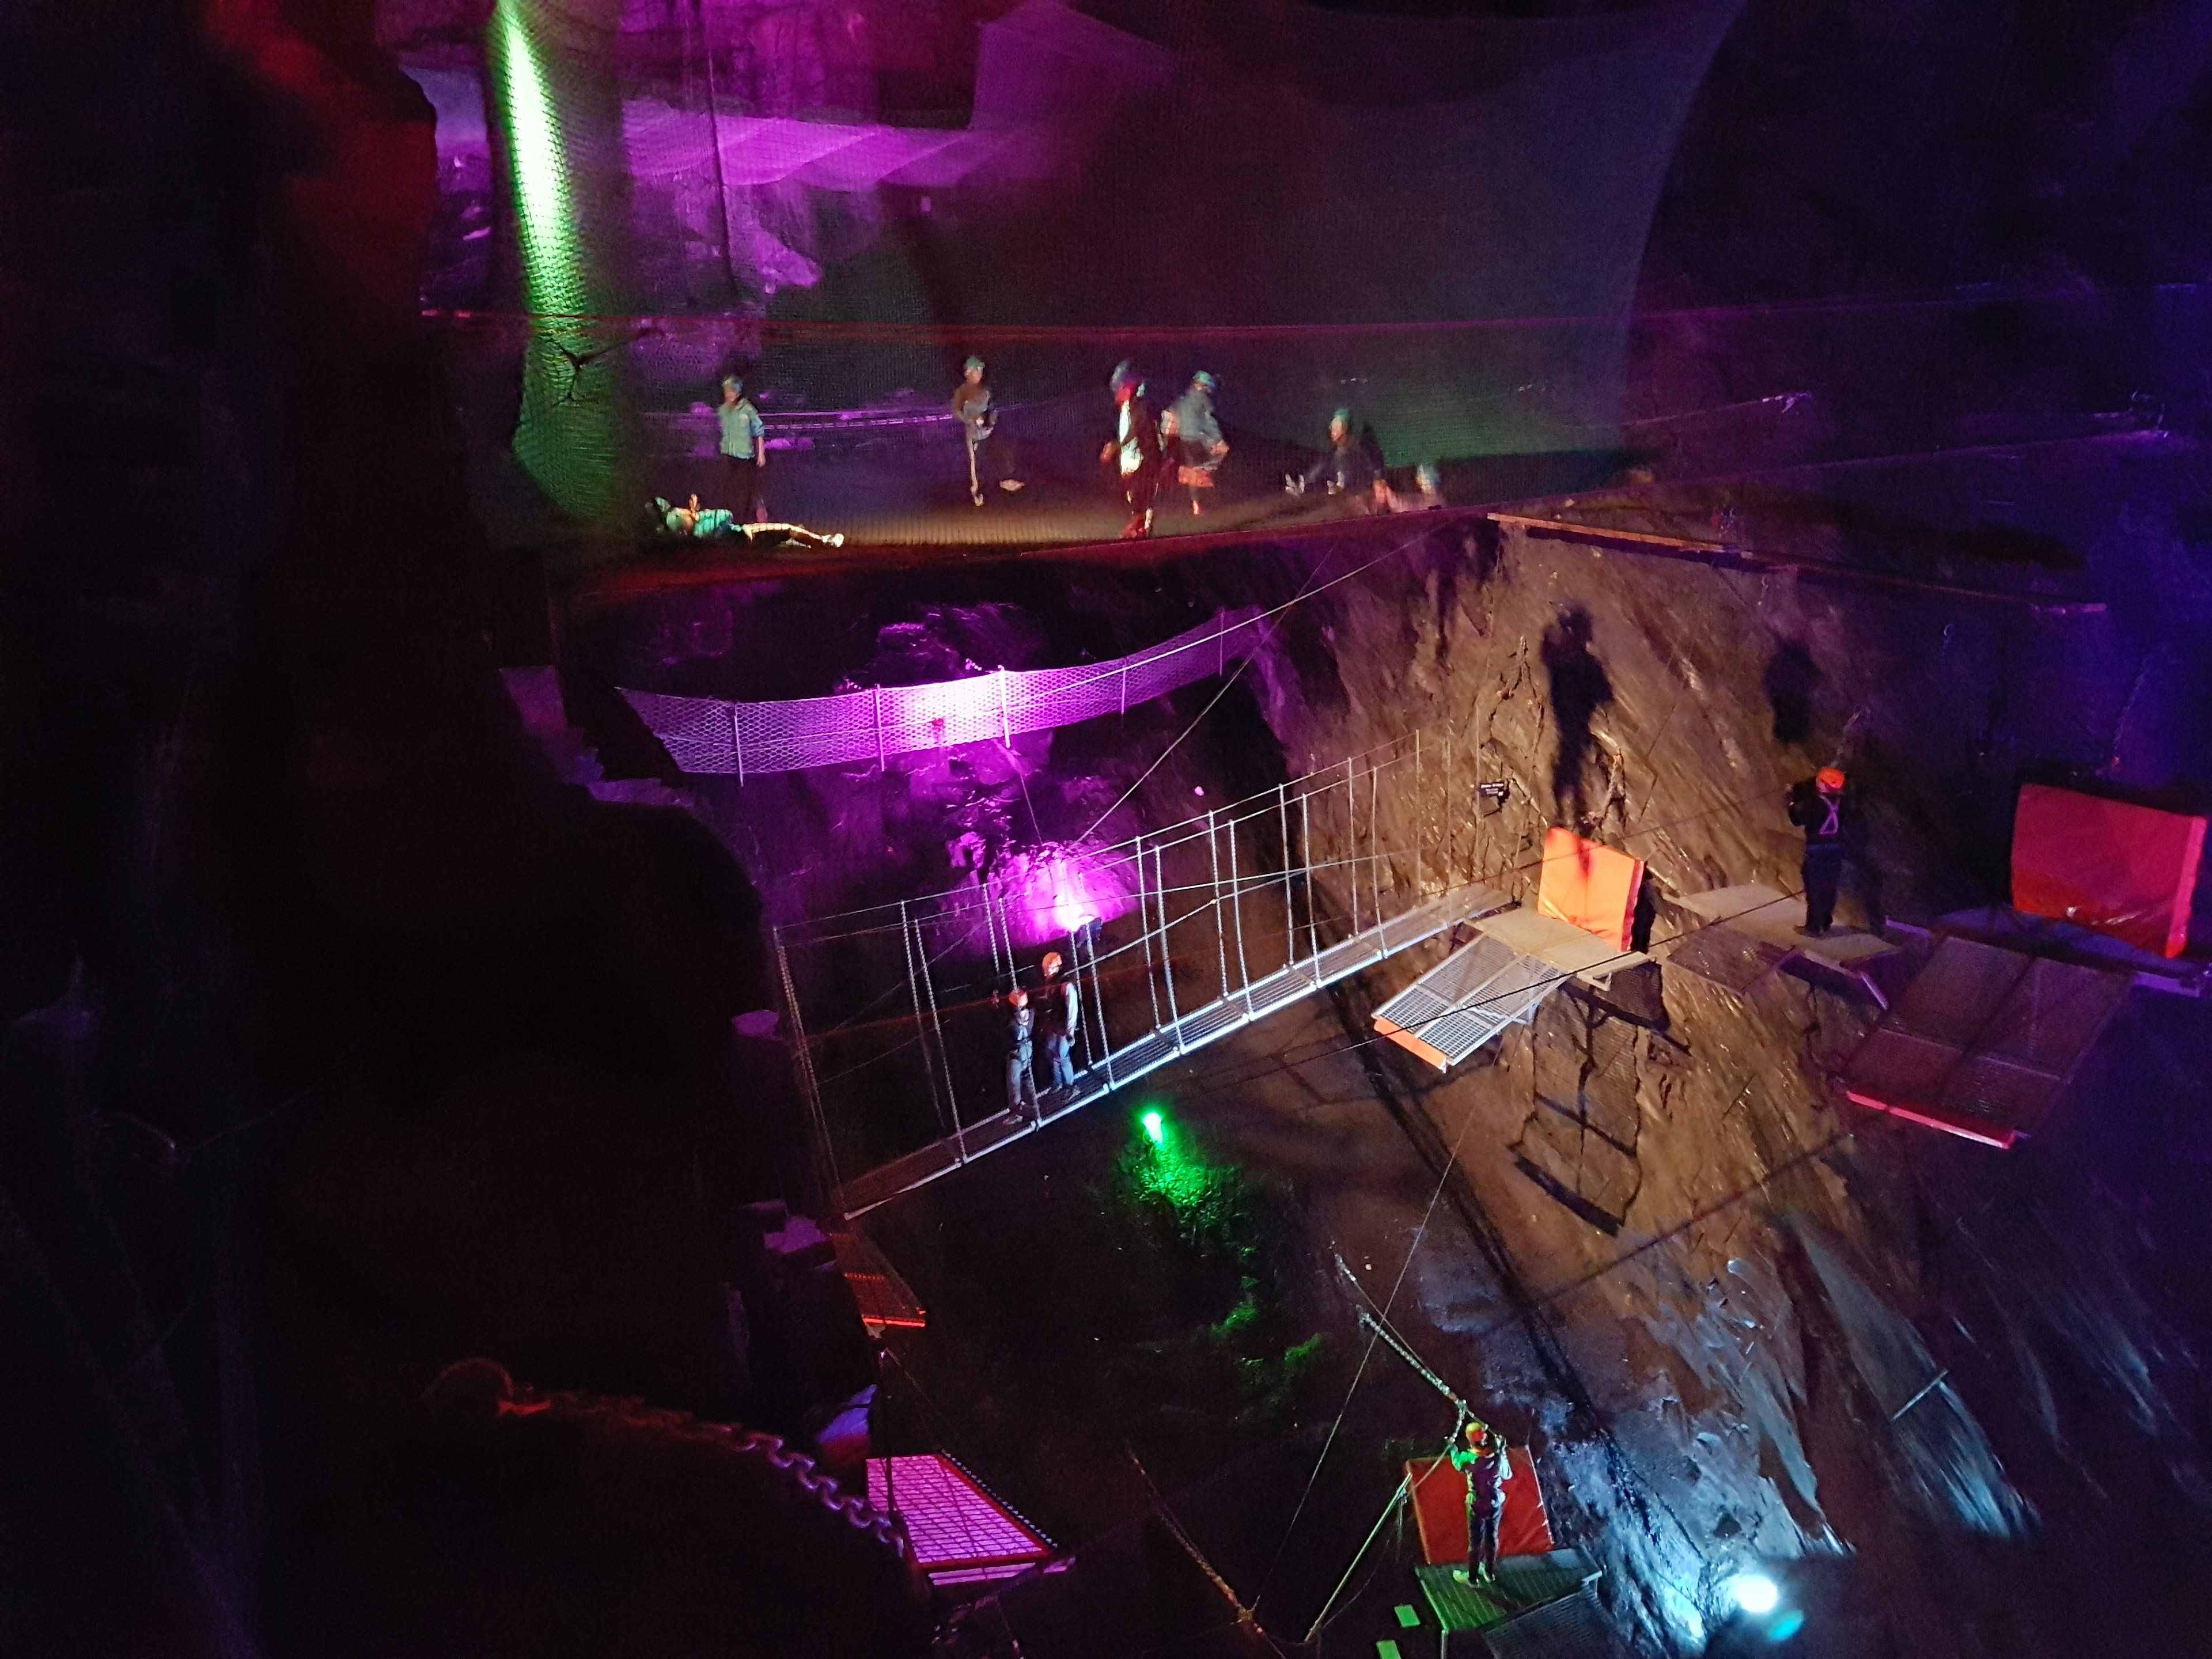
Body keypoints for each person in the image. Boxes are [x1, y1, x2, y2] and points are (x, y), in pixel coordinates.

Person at [1786, 764, 1880, 936]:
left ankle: (1813, 927)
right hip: (1836, 851)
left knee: (1814, 888)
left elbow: (1796, 819)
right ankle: (1825, 921)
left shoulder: (1813, 804)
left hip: (1817, 851)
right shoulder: (1842, 803)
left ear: (1823, 784)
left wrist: (1791, 800)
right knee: (1829, 887)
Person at [1101, 361, 1163, 539]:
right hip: (1137, 457)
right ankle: (1140, 526)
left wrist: (1116, 447)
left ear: (1128, 386)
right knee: (1135, 494)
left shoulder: (1140, 404)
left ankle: (1139, 527)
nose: (1116, 394)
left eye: (1119, 388)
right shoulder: (1130, 405)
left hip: (1147, 456)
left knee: (1140, 494)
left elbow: (1136, 429)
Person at [952, 355, 1023, 506]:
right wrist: (972, 420)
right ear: (968, 372)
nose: (980, 374)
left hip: (988, 432)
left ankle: (1006, 480)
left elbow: (993, 409)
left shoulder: (985, 392)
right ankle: (977, 491)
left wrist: (991, 421)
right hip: (973, 435)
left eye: (981, 371)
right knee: (977, 463)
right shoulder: (962, 392)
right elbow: (957, 412)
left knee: (1001, 451)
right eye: (977, 371)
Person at [654, 495, 844, 550]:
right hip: (747, 536)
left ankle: (815, 543)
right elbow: (726, 515)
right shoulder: (703, 528)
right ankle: (824, 543)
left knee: (789, 543)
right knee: (789, 530)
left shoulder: (696, 535)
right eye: (686, 513)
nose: (689, 511)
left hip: (744, 541)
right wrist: (700, 515)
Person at [1448, 1415, 1508, 1582]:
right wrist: (1503, 1451)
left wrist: (1452, 1448)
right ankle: (1489, 1572)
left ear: (1469, 1440)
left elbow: (1457, 1464)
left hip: (1476, 1504)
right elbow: (1508, 1474)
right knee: (1492, 1537)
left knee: (1475, 1541)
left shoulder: (1468, 1459)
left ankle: (1472, 1577)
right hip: (1495, 1502)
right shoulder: (1496, 1457)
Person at [1168, 370, 1229, 516]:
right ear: (1203, 385)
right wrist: (1219, 440)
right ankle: (1209, 495)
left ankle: (1196, 504)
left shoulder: (1181, 399)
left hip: (1184, 439)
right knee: (1213, 462)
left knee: (1193, 468)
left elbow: (1172, 415)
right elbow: (1209, 421)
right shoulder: (1204, 400)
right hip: (1200, 439)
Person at [1285, 408, 1376, 504]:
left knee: (1337, 460)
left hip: (1356, 487)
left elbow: (1363, 467)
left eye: (1336, 428)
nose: (1332, 431)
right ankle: (1303, 486)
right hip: (1340, 482)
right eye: (1332, 428)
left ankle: (1309, 487)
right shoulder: (1334, 451)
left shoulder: (1353, 448)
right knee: (1322, 464)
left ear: (1344, 429)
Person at [717, 376, 767, 522]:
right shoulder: (723, 411)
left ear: (738, 392)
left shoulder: (748, 409)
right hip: (728, 454)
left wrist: (761, 454)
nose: (729, 394)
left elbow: (759, 431)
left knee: (747, 490)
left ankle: (745, 518)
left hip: (745, 455)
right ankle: (725, 518)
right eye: (727, 391)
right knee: (726, 488)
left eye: (732, 391)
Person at [1039, 950, 1080, 1092]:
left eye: (1048, 969)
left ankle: (1071, 1086)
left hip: (1063, 1028)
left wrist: (1070, 1032)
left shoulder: (1066, 985)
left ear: (1056, 968)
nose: (1046, 972)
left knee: (1062, 1056)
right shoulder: (1051, 983)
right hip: (1053, 1024)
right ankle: (1057, 1083)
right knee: (1051, 1050)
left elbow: (1072, 1010)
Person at [1002, 987, 1040, 1124]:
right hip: (1027, 1050)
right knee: (1027, 1077)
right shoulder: (1031, 1013)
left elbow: (1006, 1023)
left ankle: (1016, 1112)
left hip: (1017, 1052)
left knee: (1013, 1081)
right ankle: (1034, 1104)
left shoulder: (1012, 1021)